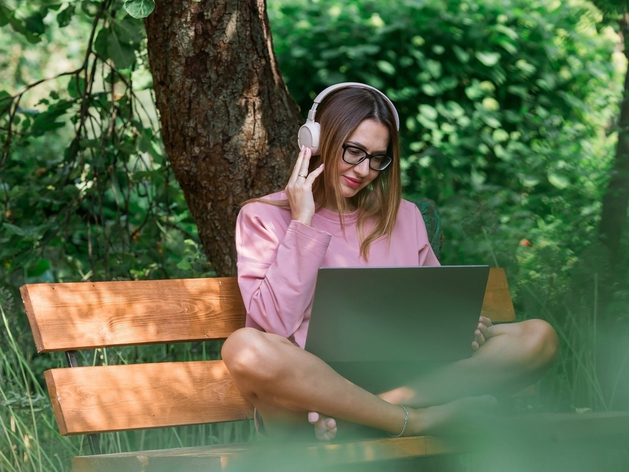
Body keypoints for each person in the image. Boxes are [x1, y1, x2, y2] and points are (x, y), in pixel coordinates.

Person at [221, 83, 558, 441]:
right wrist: (302, 224)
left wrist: (460, 326)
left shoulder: (404, 217)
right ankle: (414, 420)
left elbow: (433, 307)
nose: (364, 170)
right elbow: (273, 325)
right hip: (309, 398)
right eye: (354, 151)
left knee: (538, 336)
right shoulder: (263, 217)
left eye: (378, 158)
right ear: (317, 142)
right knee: (244, 347)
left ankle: (368, 413)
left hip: (395, 381)